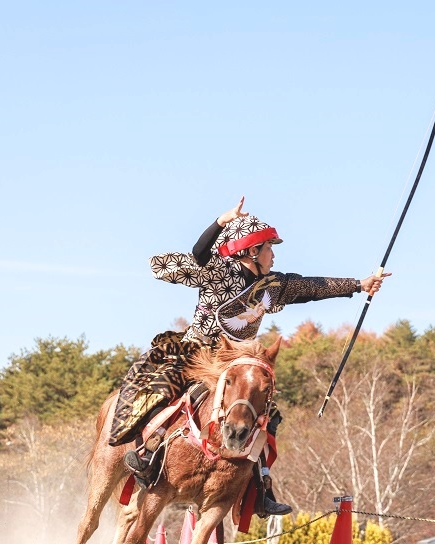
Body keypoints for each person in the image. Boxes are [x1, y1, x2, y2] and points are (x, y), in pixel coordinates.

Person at [108, 197, 388, 517]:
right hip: (200, 351)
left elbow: (312, 286)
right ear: (251, 250)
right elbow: (199, 254)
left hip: (238, 360)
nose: (274, 254)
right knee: (165, 385)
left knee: (267, 414)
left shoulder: (272, 285)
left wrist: (359, 284)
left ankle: (261, 488)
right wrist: (221, 222)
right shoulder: (220, 270)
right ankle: (146, 452)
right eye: (270, 247)